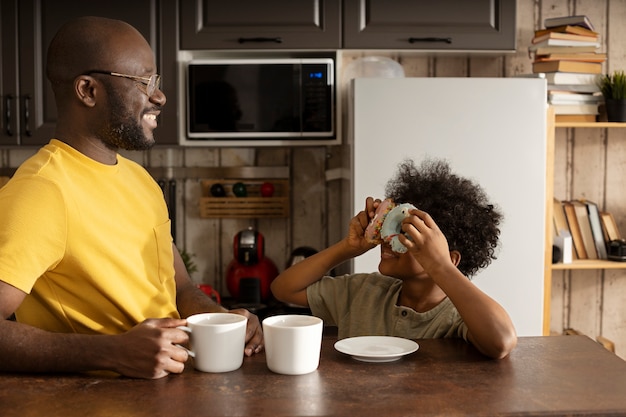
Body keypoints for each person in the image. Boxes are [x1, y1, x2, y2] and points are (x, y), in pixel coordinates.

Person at [0, 16, 263, 379]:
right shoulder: (41, 191)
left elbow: (180, 286)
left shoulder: (140, 179)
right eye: (143, 81)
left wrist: (221, 321)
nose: (159, 96)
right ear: (88, 91)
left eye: (155, 81)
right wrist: (112, 352)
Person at [271, 158, 517, 359]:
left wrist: (440, 265)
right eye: (392, 227)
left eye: (408, 233)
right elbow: (283, 289)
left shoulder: (458, 315)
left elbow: (502, 342)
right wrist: (348, 248)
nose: (389, 239)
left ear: (451, 258)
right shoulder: (362, 292)